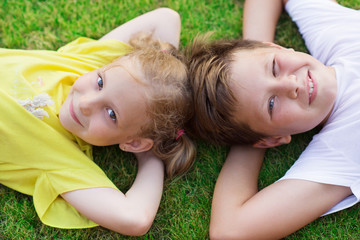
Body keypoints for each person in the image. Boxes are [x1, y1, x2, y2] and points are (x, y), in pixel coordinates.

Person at [0, 8, 196, 236]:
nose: (86, 103)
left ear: (133, 142)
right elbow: (166, 18)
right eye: (100, 82)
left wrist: (151, 154)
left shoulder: (61, 158)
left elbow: (135, 218)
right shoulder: (85, 64)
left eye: (111, 114)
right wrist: (160, 68)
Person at [187, 0, 360, 239]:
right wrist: (256, 140)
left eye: (274, 67)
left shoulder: (336, 34)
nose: (291, 85)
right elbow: (229, 230)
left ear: (277, 47)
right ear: (273, 138)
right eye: (271, 104)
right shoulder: (340, 151)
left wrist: (255, 48)